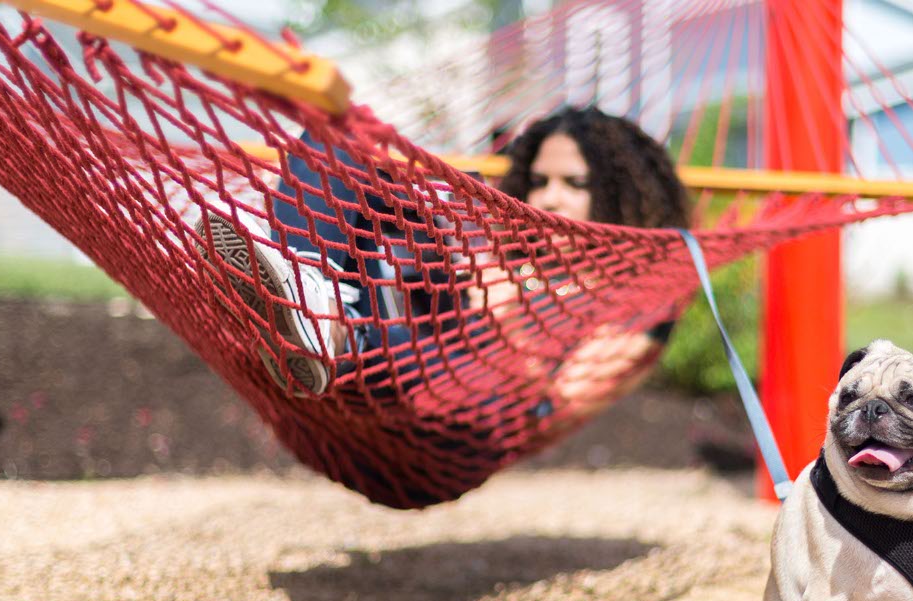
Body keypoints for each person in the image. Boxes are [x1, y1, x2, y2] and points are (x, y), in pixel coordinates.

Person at [196, 106, 690, 419]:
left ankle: (318, 321)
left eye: (574, 184)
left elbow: (560, 404)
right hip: (398, 347)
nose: (549, 198)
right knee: (337, 136)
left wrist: (507, 314)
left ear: (621, 197)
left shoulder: (640, 302)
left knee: (404, 331)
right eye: (539, 182)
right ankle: (304, 296)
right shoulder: (512, 251)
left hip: (467, 408)